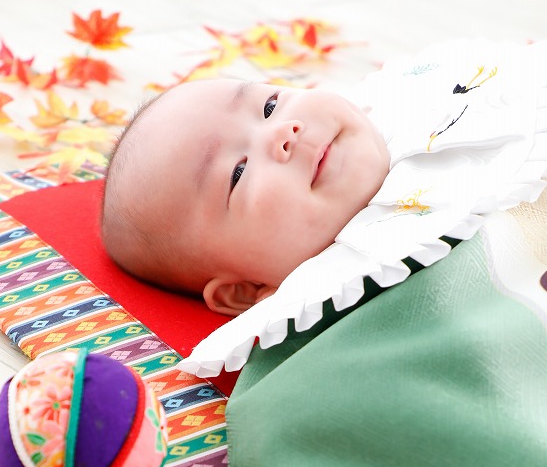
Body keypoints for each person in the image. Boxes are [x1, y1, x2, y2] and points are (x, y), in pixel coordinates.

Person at [100, 77, 391, 316]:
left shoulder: (406, 98)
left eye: (270, 107)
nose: (283, 132)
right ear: (244, 291)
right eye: (238, 174)